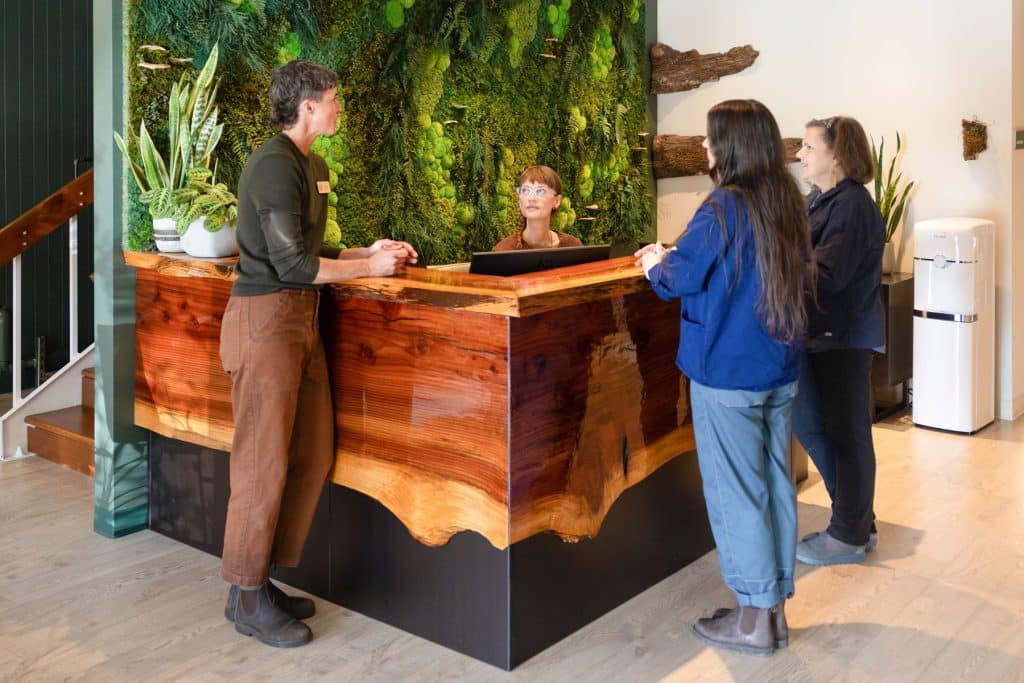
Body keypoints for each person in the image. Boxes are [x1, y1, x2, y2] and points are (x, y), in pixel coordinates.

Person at [218, 59, 417, 648]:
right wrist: (368, 267)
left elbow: (311, 248)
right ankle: (247, 596)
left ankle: (257, 581)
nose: (337, 108)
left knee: (311, 452)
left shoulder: (314, 165)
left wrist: (366, 250)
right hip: (265, 319)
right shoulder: (273, 165)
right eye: (332, 100)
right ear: (306, 107)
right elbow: (291, 265)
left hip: (301, 320)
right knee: (263, 463)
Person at [635, 99, 809, 656]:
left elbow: (677, 277)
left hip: (729, 374)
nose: (704, 148)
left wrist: (652, 263)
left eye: (710, 139)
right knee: (775, 482)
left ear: (731, 144)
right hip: (779, 369)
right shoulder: (788, 202)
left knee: (738, 492)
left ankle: (754, 619)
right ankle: (773, 607)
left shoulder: (723, 207)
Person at [792, 116, 884, 565]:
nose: (800, 155)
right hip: (819, 337)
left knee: (845, 434)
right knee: (813, 424)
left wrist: (773, 265)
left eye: (809, 147)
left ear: (837, 154)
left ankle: (848, 534)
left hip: (840, 338)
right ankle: (854, 519)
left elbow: (825, 277)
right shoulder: (822, 200)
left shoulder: (850, 207)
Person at [492, 165, 583, 250]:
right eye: (525, 191)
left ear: (557, 201)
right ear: (519, 201)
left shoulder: (572, 246)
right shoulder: (504, 250)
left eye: (540, 191)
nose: (531, 198)